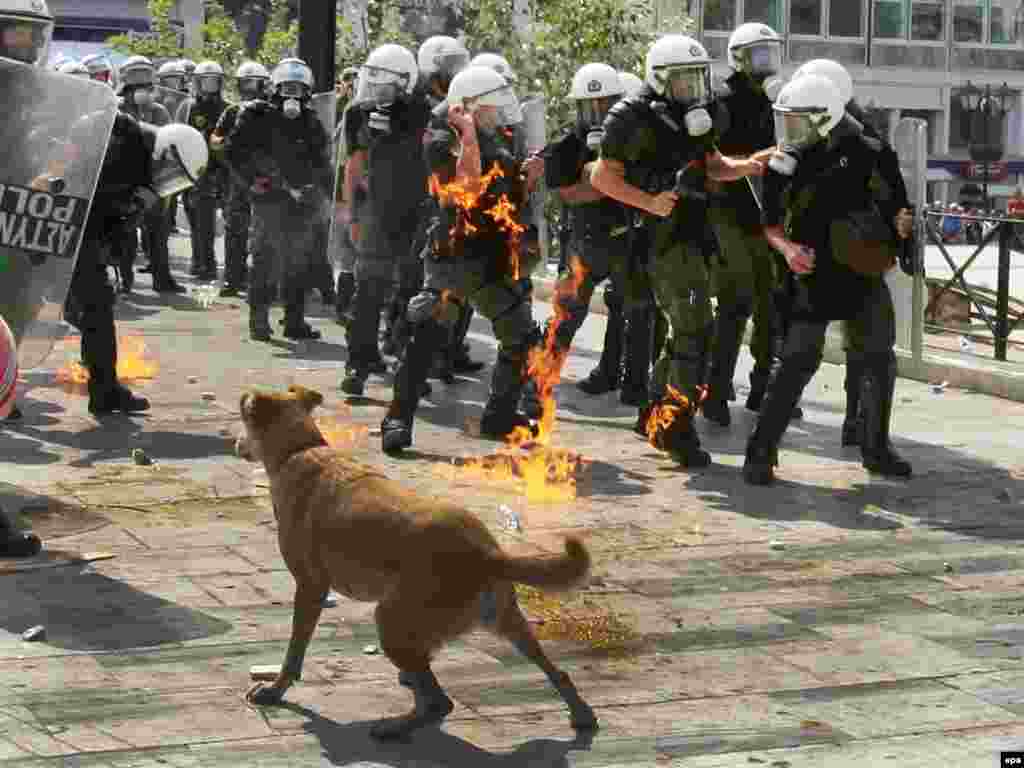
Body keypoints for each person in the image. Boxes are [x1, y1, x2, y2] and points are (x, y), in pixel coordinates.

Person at [590, 34, 764, 467]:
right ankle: (675, 429)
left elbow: (711, 164)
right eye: (684, 78)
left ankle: (655, 412)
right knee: (695, 330)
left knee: (687, 331)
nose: (694, 87)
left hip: (692, 237)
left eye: (698, 77)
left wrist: (749, 164)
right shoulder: (629, 116)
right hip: (657, 243)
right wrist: (648, 201)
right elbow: (601, 177)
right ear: (660, 78)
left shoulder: (696, 115)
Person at [743, 74, 914, 484]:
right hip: (812, 275)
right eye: (785, 121)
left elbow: (900, 209)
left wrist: (901, 230)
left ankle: (876, 449)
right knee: (797, 360)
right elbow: (767, 224)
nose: (788, 132)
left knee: (877, 359)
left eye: (796, 122)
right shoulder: (784, 164)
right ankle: (760, 452)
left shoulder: (872, 151)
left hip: (863, 274)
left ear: (824, 119)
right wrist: (788, 250)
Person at [380, 65, 539, 453]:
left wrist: (529, 175)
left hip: (494, 257)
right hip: (454, 255)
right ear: (468, 107)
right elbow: (466, 189)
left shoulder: (497, 143)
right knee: (427, 335)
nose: (498, 115)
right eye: (489, 109)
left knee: (520, 337)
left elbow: (507, 199)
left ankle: (499, 416)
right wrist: (467, 132)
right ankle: (397, 419)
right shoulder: (440, 139)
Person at [792, 58, 913, 446]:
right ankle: (857, 426)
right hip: (836, 259)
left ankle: (858, 426)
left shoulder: (863, 140)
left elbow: (897, 203)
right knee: (852, 351)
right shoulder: (812, 133)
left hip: (837, 259)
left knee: (859, 351)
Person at [545, 62, 653, 406]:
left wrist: (604, 183)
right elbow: (568, 193)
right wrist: (611, 185)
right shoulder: (566, 143)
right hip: (586, 242)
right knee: (568, 312)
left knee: (634, 312)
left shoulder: (633, 139)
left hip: (627, 239)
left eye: (606, 104)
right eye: (589, 106)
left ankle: (629, 385)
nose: (597, 113)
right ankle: (540, 379)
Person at [702, 23, 787, 427]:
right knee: (736, 303)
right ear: (739, 57)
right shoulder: (722, 98)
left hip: (769, 216)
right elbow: (714, 161)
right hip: (731, 214)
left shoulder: (776, 100)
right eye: (759, 55)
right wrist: (761, 157)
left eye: (771, 53)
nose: (767, 63)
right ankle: (716, 393)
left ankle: (763, 388)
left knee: (772, 305)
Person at [340, 44, 429, 396]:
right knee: (367, 293)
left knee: (412, 294)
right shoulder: (358, 112)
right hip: (376, 214)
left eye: (386, 81)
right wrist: (351, 213)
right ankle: (358, 365)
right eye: (372, 78)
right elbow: (354, 165)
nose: (377, 87)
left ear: (405, 83)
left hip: (415, 214)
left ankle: (409, 371)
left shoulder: (423, 113)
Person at [226, 57, 332, 342]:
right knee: (264, 258)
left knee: (299, 262)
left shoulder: (311, 122)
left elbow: (322, 160)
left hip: (302, 200)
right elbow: (233, 152)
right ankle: (258, 321)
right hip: (268, 198)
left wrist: (327, 192)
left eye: (299, 89)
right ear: (275, 88)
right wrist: (252, 181)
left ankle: (294, 321)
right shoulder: (255, 115)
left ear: (307, 93)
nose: (292, 96)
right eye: (287, 88)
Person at [117, 55, 185, 294]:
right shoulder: (114, 109)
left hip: (152, 179)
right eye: (136, 85)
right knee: (123, 231)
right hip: (122, 179)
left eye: (146, 85)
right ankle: (124, 280)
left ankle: (162, 278)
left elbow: (168, 141)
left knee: (158, 230)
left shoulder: (159, 111)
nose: (141, 90)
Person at [212, 60, 269, 297]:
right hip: (237, 180)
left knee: (265, 233)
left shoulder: (271, 111)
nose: (249, 87)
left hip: (266, 180)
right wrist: (224, 146)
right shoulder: (232, 111)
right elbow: (215, 137)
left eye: (253, 82)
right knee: (235, 230)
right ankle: (233, 280)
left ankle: (262, 282)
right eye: (245, 82)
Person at [176, 60, 228, 281]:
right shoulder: (187, 106)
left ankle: (207, 263)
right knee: (194, 219)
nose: (209, 85)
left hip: (216, 171)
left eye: (213, 81)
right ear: (197, 82)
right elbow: (176, 134)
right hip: (191, 169)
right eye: (204, 81)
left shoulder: (226, 108)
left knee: (206, 221)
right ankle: (199, 261)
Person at [332, 66, 360, 319]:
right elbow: (341, 158)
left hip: (362, 191)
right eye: (348, 82)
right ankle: (344, 305)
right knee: (349, 251)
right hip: (347, 192)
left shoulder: (358, 111)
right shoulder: (347, 112)